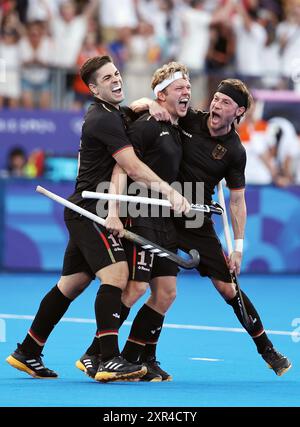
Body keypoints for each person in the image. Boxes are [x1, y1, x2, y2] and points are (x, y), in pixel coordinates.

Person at [6, 55, 190, 382]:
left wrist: (147, 101)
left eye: (117, 73)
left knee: (72, 284)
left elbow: (129, 110)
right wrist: (170, 192)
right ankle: (107, 359)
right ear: (93, 88)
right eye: (107, 79)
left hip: (90, 205)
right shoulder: (103, 119)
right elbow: (131, 167)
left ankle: (28, 350)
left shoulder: (112, 112)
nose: (116, 80)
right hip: (92, 207)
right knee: (117, 275)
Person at [130, 78, 291, 377]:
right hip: (161, 214)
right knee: (164, 292)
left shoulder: (235, 151)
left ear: (238, 111)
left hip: (195, 221)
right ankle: (145, 358)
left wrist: (239, 247)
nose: (216, 104)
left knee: (228, 288)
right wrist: (151, 103)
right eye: (216, 98)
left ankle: (267, 349)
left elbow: (237, 202)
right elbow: (139, 106)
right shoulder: (188, 117)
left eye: (225, 102)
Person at [76, 62, 192, 382]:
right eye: (180, 87)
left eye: (189, 87)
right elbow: (122, 168)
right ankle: (96, 354)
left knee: (166, 292)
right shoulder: (145, 124)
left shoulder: (180, 124)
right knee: (136, 286)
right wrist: (114, 210)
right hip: (141, 215)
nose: (188, 93)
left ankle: (138, 357)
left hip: (163, 218)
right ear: (162, 93)